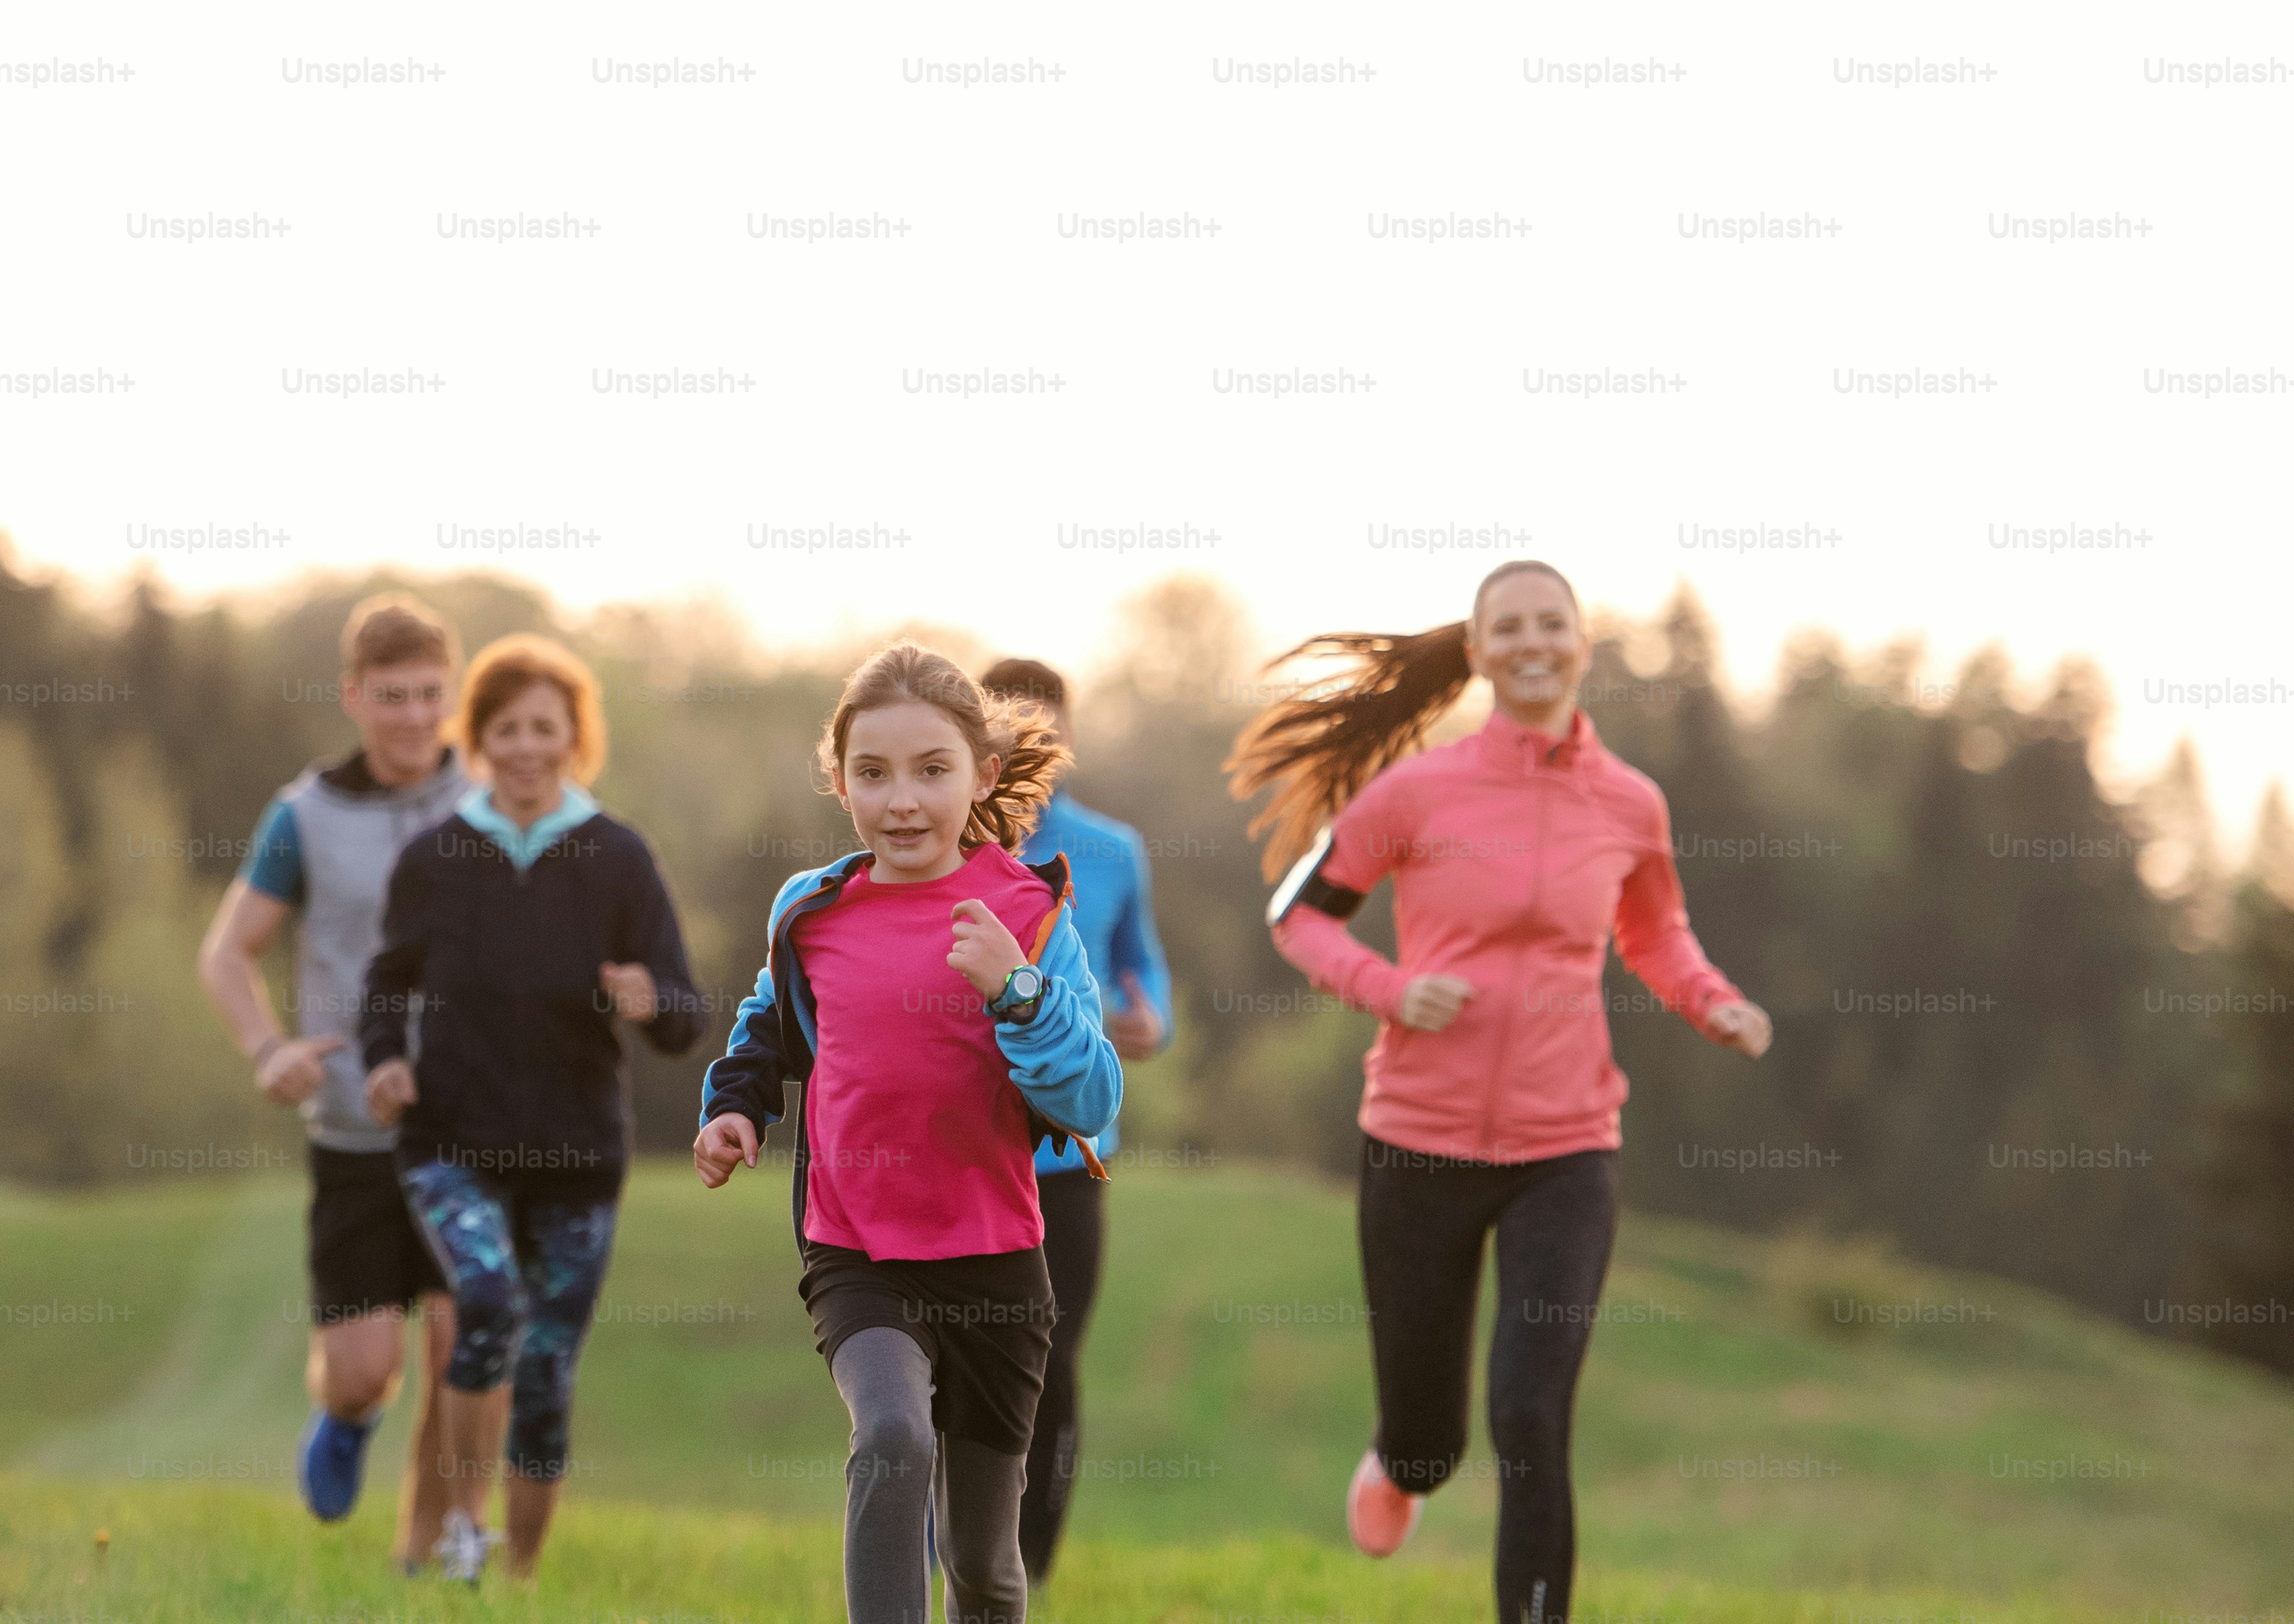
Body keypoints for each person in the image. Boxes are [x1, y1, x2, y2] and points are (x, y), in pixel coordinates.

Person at [1227, 561, 1770, 1624]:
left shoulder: (1630, 803)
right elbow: (1300, 914)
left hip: (1566, 1147)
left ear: (1581, 644)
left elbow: (1653, 932)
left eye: (1551, 624)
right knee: (1432, 1440)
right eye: (1507, 627)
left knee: (1531, 1414)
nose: (1532, 642)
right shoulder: (1416, 792)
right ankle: (1402, 1465)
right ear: (1476, 654)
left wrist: (1710, 1001)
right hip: (1417, 1145)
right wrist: (1387, 989)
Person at [696, 643, 1124, 1624]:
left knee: (984, 1564)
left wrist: (1016, 991)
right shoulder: (812, 913)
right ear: (839, 779)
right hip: (858, 1246)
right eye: (873, 772)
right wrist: (733, 1107)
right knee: (892, 1437)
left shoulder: (1032, 914)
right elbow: (772, 1023)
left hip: (997, 1262)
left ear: (980, 773)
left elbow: (1093, 1101)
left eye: (932, 771)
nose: (902, 801)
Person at [359, 633, 700, 1584]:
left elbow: (685, 1010)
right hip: (451, 1142)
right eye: (504, 727)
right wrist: (385, 1060)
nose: (522, 746)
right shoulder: (436, 857)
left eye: (542, 727)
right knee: (486, 1299)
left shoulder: (619, 857)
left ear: (573, 737)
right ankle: (465, 1529)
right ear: (478, 736)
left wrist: (651, 1000)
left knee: (546, 1372)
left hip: (578, 1153)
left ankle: (519, 1579)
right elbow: (388, 982)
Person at [193, 591, 479, 1561]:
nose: (411, 716)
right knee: (365, 1369)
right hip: (352, 1129)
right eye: (391, 696)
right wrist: (267, 1049)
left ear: (453, 692)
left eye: (429, 694)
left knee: (459, 1346)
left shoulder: (492, 797)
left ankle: (424, 1552)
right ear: (354, 696)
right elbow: (226, 952)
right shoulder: (302, 816)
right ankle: (349, 1419)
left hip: (469, 1132)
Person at [973, 657, 1171, 1587]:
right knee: (956, 1359)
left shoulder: (1115, 849)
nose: (1025, 740)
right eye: (1003, 722)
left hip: (1070, 1156)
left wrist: (1152, 1018)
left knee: (1050, 1363)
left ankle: (1030, 1571)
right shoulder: (945, 840)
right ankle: (956, 1551)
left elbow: (1145, 965)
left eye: (1042, 723)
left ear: (1068, 737)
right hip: (964, 1149)